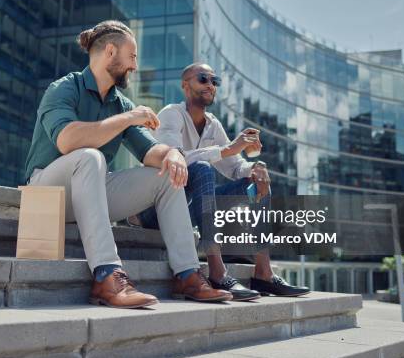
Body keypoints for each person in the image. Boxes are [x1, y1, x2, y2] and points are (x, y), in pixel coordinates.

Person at [24, 22, 232, 309]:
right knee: (90, 156)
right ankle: (107, 276)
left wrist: (171, 155)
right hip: (47, 193)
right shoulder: (63, 88)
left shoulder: (121, 104)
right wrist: (128, 118)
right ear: (111, 52)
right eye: (132, 57)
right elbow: (68, 141)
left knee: (166, 175)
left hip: (91, 192)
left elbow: (149, 150)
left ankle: (187, 274)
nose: (135, 66)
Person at [132, 62, 310, 299]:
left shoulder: (213, 124)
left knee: (256, 181)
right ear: (185, 86)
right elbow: (174, 158)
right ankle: (217, 270)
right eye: (203, 79)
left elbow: (235, 167)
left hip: (189, 208)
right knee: (203, 169)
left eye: (214, 81)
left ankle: (264, 274)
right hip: (153, 209)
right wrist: (227, 148)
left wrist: (256, 167)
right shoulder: (171, 114)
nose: (210, 86)